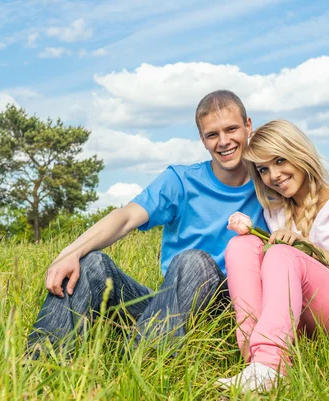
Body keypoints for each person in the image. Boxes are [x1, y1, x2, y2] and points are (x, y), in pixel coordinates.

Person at [26, 90, 268, 358]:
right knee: (89, 263)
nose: (224, 141)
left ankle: (139, 367)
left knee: (193, 261)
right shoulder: (181, 180)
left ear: (248, 126)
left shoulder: (270, 183)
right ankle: (40, 370)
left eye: (231, 129)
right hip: (170, 305)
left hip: (228, 312)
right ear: (202, 139)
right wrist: (70, 252)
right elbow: (126, 217)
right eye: (212, 134)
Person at [216, 119, 329, 392]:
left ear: (299, 153)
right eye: (263, 169)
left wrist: (307, 248)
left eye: (280, 160)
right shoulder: (276, 212)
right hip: (305, 325)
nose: (274, 175)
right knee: (241, 245)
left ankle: (271, 365)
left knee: (284, 254)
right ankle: (255, 359)